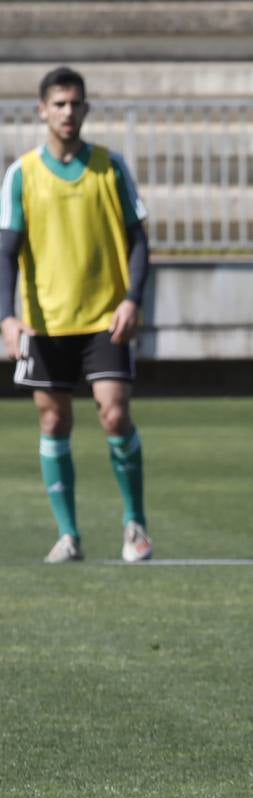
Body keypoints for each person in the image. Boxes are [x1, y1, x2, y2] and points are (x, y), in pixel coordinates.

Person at [1, 66, 153, 563]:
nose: (68, 112)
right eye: (59, 104)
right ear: (42, 110)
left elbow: (138, 240)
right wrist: (7, 315)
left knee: (114, 414)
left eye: (76, 103)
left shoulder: (111, 167)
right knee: (53, 419)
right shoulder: (22, 173)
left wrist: (131, 299)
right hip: (45, 322)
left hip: (105, 318)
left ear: (86, 109)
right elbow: (6, 250)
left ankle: (135, 525)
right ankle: (68, 535)